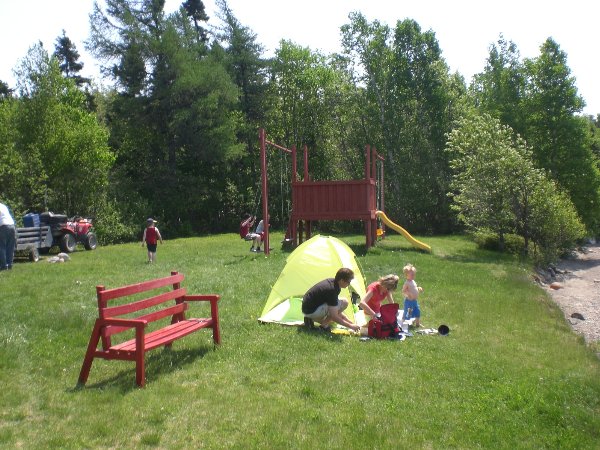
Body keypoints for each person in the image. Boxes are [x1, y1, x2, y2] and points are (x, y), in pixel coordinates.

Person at [302, 267, 361, 333]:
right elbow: (334, 316)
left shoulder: (333, 282)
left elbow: (336, 309)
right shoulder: (332, 290)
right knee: (345, 302)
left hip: (307, 309)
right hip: (311, 311)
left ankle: (310, 319)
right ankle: (323, 326)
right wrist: (351, 326)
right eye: (348, 282)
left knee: (333, 317)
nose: (349, 284)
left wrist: (351, 322)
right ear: (342, 280)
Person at [0, 202, 16, 271]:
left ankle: (3, 266)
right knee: (10, 247)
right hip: (12, 225)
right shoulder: (3, 206)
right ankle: (9, 265)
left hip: (3, 226)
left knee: (2, 246)